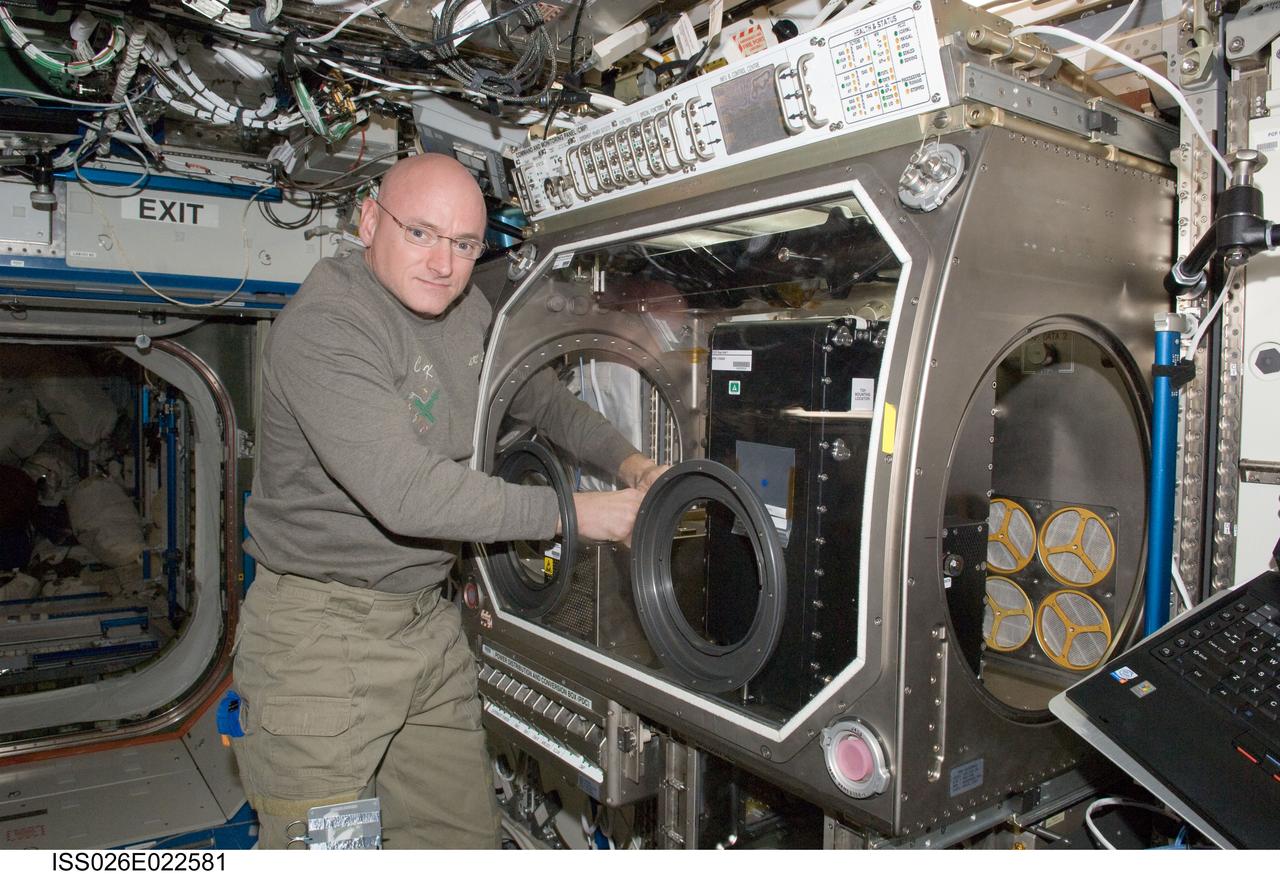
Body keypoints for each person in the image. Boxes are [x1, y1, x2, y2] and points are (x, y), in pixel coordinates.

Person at [233, 154, 661, 849]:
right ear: (369, 220)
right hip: (320, 634)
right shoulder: (327, 324)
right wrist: (578, 514)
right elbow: (408, 494)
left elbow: (538, 397)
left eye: (465, 245)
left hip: (425, 626)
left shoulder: (466, 311)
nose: (443, 263)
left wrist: (631, 460)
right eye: (422, 234)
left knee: (457, 842)